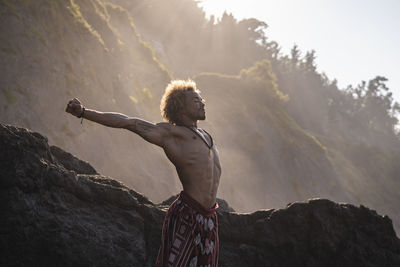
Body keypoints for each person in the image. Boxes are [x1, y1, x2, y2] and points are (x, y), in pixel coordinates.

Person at [65, 80, 221, 267]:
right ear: (181, 108)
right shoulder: (171, 134)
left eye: (201, 99)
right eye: (196, 100)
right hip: (187, 215)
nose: (202, 103)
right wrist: (84, 112)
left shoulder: (207, 136)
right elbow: (128, 122)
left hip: (210, 218)